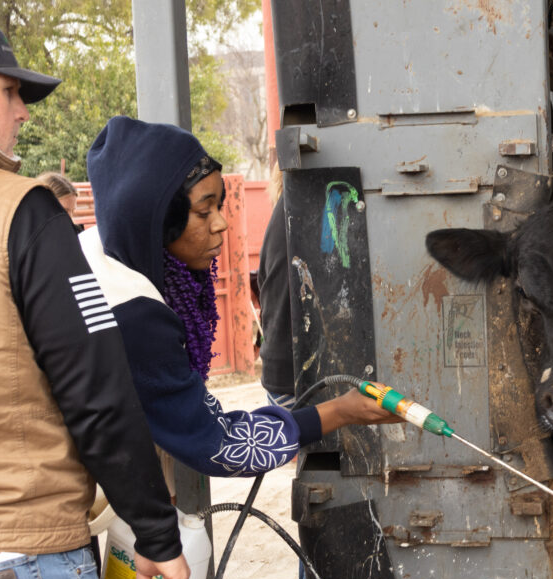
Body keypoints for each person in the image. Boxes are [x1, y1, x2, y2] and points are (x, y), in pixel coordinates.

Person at [0, 11, 189, 579]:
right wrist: (156, 533)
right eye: (11, 92)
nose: (23, 112)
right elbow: (96, 389)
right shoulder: (19, 211)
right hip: (17, 566)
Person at [82, 116, 398, 484]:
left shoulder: (97, 248)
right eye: (204, 212)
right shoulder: (131, 311)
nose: (221, 224)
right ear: (153, 220)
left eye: (220, 206)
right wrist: (343, 411)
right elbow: (221, 443)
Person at [257, 162, 368, 579]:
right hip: (307, 381)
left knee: (329, 506)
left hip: (293, 371)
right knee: (335, 513)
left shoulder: (297, 199)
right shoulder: (327, 197)